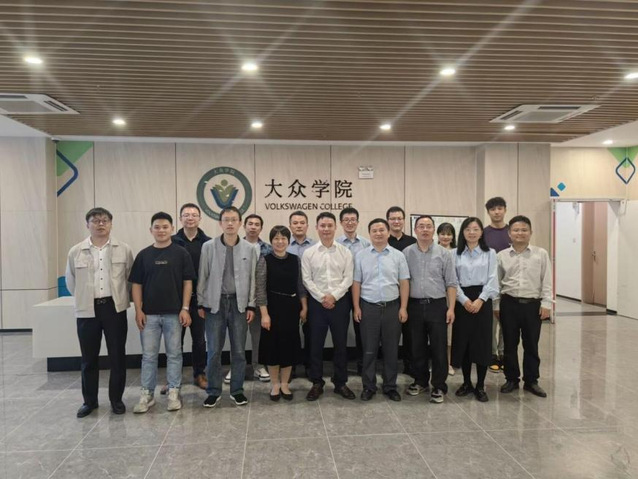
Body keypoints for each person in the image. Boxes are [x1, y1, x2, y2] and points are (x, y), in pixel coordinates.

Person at [65, 207, 134, 418]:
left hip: (114, 308)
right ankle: (89, 401)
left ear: (111, 224)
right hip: (87, 310)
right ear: (88, 225)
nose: (100, 224)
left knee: (117, 356)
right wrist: (85, 298)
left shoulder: (124, 249)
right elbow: (71, 282)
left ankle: (116, 399)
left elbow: (129, 279)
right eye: (95, 220)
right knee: (88, 358)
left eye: (105, 220)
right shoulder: (76, 251)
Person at [129, 212, 195, 413]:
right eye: (157, 227)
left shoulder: (181, 253)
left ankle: (174, 391)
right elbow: (136, 284)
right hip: (149, 315)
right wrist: (138, 310)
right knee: (149, 356)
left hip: (174, 314)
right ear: (151, 230)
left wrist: (185, 308)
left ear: (172, 229)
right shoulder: (143, 255)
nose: (161, 230)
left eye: (165, 227)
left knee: (174, 354)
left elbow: (188, 282)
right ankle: (147, 394)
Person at [198, 206, 258, 408]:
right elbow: (203, 275)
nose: (230, 223)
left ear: (240, 223)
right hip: (214, 304)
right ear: (220, 223)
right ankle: (213, 391)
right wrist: (201, 302)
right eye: (226, 220)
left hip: (239, 304)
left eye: (234, 220)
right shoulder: (208, 246)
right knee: (214, 350)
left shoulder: (250, 248)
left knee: (239, 351)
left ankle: (237, 390)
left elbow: (252, 279)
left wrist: (251, 305)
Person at [352, 218, 409, 402]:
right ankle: (369, 386)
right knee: (369, 350)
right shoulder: (361, 255)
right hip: (368, 307)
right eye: (374, 230)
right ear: (369, 234)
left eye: (381, 230)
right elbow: (356, 283)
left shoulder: (398, 256)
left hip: (392, 307)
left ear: (388, 232)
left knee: (391, 350)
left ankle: (390, 386)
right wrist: (356, 307)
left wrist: (403, 307)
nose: (378, 233)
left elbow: (404, 282)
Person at [496, 216, 552, 398]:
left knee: (531, 344)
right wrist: (496, 305)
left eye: (524, 230)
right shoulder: (502, 256)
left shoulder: (541, 254)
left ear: (530, 232)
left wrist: (547, 303)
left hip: (532, 305)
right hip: (509, 303)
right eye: (516, 230)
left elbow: (547, 280)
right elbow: (496, 282)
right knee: (509, 344)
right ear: (509, 233)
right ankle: (511, 379)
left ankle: (531, 380)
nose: (520, 233)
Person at [403, 216, 457, 403]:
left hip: (437, 305)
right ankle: (420, 381)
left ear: (434, 230)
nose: (425, 229)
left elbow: (451, 283)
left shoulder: (444, 254)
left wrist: (451, 308)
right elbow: (403, 281)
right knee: (416, 346)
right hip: (414, 305)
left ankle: (439, 385)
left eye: (428, 226)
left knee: (439, 347)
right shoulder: (406, 253)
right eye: (421, 226)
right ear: (415, 230)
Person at [302, 212, 355, 401]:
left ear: (335, 227)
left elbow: (348, 278)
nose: (326, 229)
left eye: (329, 225)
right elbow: (307, 279)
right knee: (315, 345)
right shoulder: (309, 253)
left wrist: (333, 296)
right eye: (322, 225)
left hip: (340, 303)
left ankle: (340, 382)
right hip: (316, 305)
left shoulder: (345, 252)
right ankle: (317, 382)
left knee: (341, 344)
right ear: (316, 227)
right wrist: (322, 297)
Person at [256, 226, 308, 401]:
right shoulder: (265, 260)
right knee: (272, 348)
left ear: (288, 240)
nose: (280, 242)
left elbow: (300, 285)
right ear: (271, 241)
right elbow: (260, 289)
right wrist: (264, 314)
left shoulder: (295, 260)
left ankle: (285, 384)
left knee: (288, 347)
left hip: (291, 308)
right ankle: (275, 385)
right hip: (272, 309)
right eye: (276, 238)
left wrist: (304, 307)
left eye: (283, 238)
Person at [452, 217, 499, 402]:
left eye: (475, 229)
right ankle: (466, 383)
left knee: (481, 343)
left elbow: (493, 278)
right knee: (463, 343)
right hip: (461, 300)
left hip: (483, 300)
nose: (471, 232)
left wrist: (480, 299)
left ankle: (480, 385)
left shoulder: (490, 253)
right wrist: (464, 300)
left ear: (481, 232)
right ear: (462, 232)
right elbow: (452, 280)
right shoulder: (455, 253)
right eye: (468, 229)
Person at [165, 203, 210, 392]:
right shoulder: (171, 242)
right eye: (186, 215)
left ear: (200, 218)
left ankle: (199, 374)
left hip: (199, 300)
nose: (190, 218)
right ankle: (173, 379)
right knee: (175, 341)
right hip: (176, 300)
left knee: (199, 340)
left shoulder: (207, 243)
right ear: (180, 219)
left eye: (194, 215)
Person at [336, 207, 371, 376]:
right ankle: (341, 367)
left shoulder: (366, 243)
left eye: (353, 220)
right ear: (341, 223)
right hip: (341, 292)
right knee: (340, 329)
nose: (350, 223)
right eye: (346, 220)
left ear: (357, 222)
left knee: (361, 329)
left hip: (362, 291)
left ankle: (363, 365)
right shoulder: (335, 244)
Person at [240, 213, 272, 383]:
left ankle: (258, 365)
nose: (253, 227)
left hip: (259, 299)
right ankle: (236, 367)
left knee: (258, 336)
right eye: (250, 223)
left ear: (261, 228)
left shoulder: (268, 249)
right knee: (237, 335)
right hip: (238, 299)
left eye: (257, 224)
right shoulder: (235, 246)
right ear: (244, 226)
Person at [385, 206, 416, 377]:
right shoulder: (383, 240)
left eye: (399, 218)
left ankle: (409, 364)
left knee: (410, 333)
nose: (396, 221)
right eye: (392, 218)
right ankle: (389, 367)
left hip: (409, 293)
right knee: (390, 334)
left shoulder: (412, 241)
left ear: (404, 220)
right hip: (389, 294)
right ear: (388, 221)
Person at [286, 210, 316, 377]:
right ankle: (290, 367)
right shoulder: (284, 244)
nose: (299, 226)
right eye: (295, 223)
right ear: (290, 226)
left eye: (302, 223)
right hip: (289, 295)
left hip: (311, 295)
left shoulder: (316, 246)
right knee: (290, 332)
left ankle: (310, 365)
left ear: (307, 225)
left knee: (311, 332)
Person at [483, 197, 510, 373]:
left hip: (509, 284)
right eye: (493, 209)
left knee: (507, 322)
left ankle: (504, 354)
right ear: (488, 212)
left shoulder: (512, 231)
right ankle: (492, 354)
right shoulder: (484, 233)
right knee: (491, 322)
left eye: (500, 208)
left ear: (505, 210)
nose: (497, 212)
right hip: (490, 284)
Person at [437, 222, 457, 376]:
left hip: (452, 296)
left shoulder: (457, 253)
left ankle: (449, 363)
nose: (445, 237)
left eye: (449, 234)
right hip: (437, 296)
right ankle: (437, 362)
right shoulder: (433, 250)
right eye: (442, 233)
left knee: (450, 333)